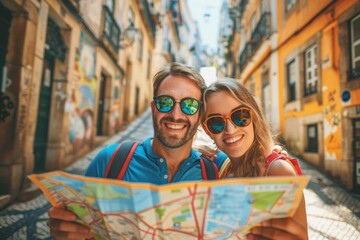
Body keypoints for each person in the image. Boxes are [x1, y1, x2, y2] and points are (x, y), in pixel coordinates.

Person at [47, 62, 227, 239]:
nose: (176, 114)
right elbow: (79, 226)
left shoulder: (214, 174)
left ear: (200, 114)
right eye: (165, 102)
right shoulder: (109, 161)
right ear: (152, 109)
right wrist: (67, 232)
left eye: (189, 105)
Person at [201, 78, 308, 240]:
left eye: (240, 116)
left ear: (254, 116)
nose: (230, 129)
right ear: (208, 130)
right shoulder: (224, 168)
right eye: (216, 122)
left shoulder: (277, 171)